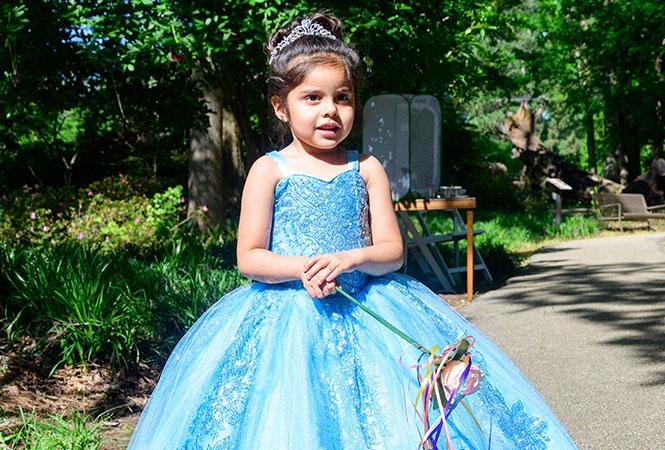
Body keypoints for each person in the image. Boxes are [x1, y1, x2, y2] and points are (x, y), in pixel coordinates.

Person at [128, 12, 576, 449]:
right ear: (280, 106)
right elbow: (249, 257)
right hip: (286, 318)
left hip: (369, 306)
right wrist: (304, 267)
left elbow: (392, 251)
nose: (330, 111)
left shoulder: (366, 167)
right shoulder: (269, 170)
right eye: (313, 98)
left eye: (342, 98)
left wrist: (351, 258)